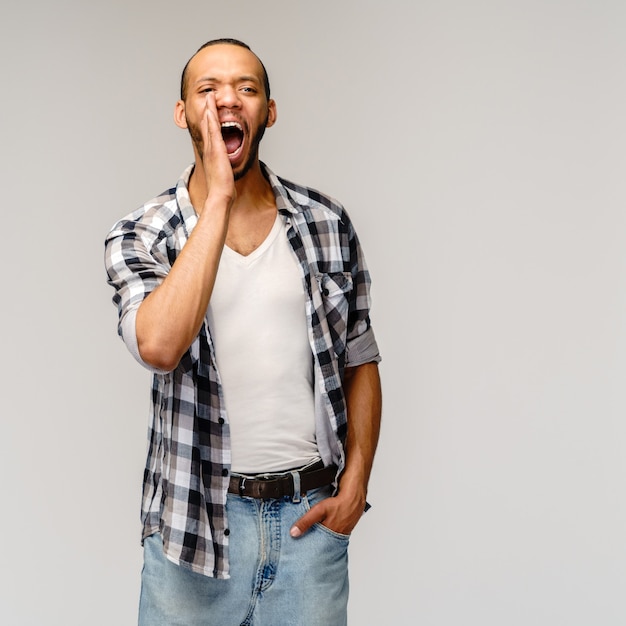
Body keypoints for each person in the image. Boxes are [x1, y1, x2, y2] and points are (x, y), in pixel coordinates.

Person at [104, 38, 382, 626]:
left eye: (246, 88)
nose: (226, 100)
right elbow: (159, 344)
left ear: (269, 112)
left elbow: (360, 357)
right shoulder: (143, 234)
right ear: (183, 113)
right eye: (207, 90)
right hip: (192, 531)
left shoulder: (324, 223)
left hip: (309, 530)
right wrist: (219, 200)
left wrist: (355, 483)